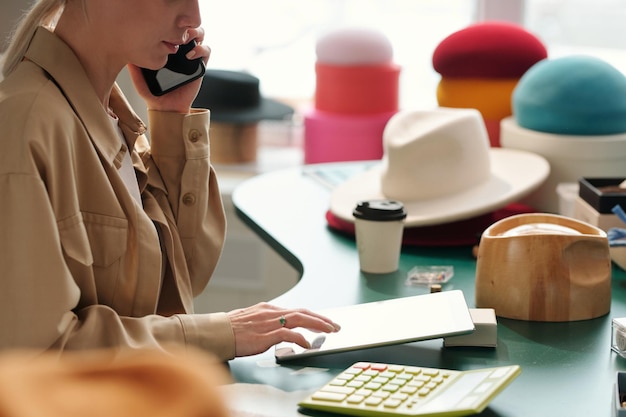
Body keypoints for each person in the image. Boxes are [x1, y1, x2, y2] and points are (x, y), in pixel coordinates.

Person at [0, 0, 340, 361]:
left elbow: (178, 283)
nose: (193, 18)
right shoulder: (24, 128)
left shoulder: (106, 116)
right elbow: (37, 354)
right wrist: (224, 332)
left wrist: (172, 116)